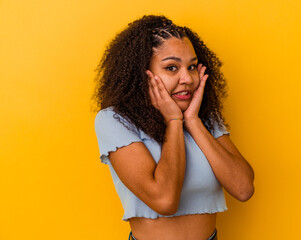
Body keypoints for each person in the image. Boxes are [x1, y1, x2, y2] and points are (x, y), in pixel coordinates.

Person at [94, 15, 255, 240]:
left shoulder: (204, 116)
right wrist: (174, 122)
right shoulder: (115, 120)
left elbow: (243, 188)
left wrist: (193, 121)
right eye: (171, 67)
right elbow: (164, 200)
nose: (187, 78)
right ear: (142, 74)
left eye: (191, 67)